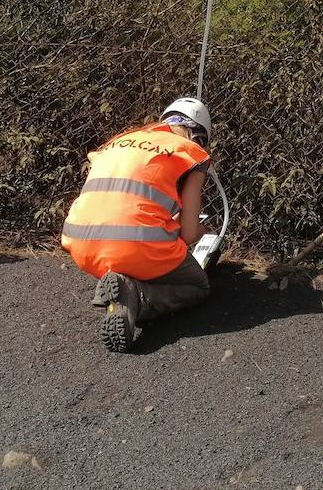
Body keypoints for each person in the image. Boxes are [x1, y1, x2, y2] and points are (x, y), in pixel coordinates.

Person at [61, 97, 215, 352]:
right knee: (198, 286)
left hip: (80, 242)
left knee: (140, 251)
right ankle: (136, 298)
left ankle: (122, 284)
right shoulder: (192, 153)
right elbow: (188, 233)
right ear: (198, 136)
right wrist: (204, 231)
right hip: (136, 245)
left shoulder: (119, 141)